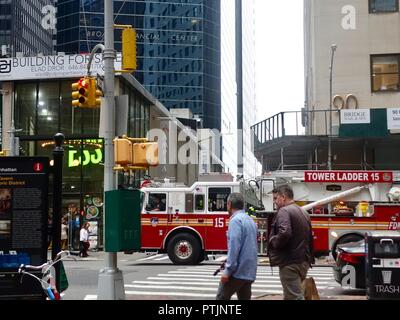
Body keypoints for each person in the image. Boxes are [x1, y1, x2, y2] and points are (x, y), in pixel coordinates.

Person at [268, 185, 314, 300]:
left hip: (290, 262)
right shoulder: (303, 212)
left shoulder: (284, 211)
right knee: (291, 295)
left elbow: (285, 233)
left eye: (275, 198)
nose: (274, 202)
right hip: (303, 261)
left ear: (283, 197)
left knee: (294, 297)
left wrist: (273, 241)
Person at [216, 193, 258, 300]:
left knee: (221, 297)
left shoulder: (235, 221)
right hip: (249, 271)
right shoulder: (251, 221)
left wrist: (228, 270)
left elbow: (234, 247)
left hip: (237, 272)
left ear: (229, 204)